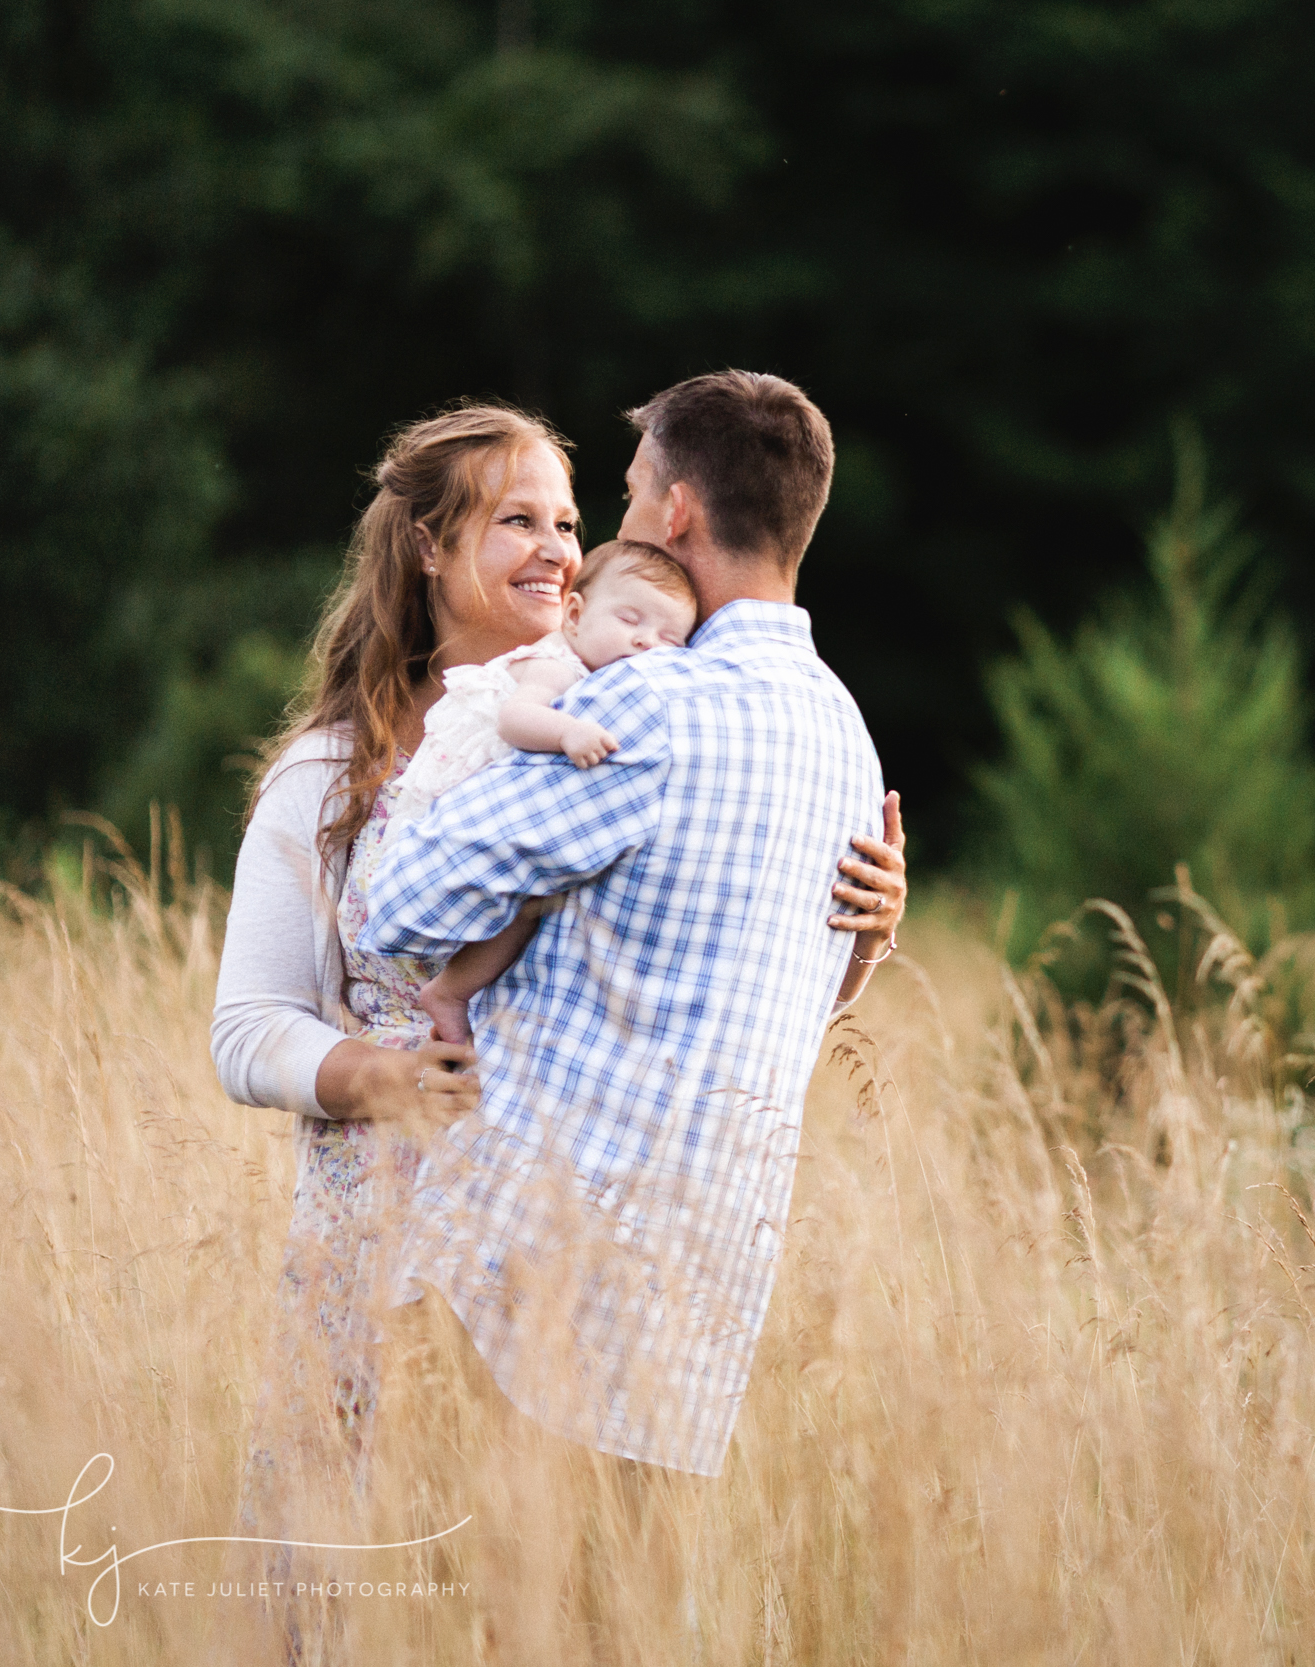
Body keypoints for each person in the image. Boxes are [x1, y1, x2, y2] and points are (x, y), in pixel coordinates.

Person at [207, 401, 907, 1641]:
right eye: (516, 519)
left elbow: (708, 957)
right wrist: (378, 1075)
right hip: (378, 1222)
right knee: (339, 1601)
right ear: (427, 546)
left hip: (524, 1253)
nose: (560, 549)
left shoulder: (623, 717)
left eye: (573, 519)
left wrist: (863, 930)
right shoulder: (329, 770)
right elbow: (248, 1023)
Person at [360, 370, 890, 1494]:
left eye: (632, 489)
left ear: (680, 512)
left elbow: (405, 908)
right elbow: (798, 988)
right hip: (692, 1326)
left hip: (521, 1291)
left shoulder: (652, 703)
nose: (615, 521)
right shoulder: (848, 737)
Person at [400, 538, 700, 1045]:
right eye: (629, 620)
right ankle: (450, 992)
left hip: (483, 810)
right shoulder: (557, 663)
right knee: (530, 903)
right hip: (457, 803)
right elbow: (516, 719)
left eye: (670, 639)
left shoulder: (608, 681)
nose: (646, 641)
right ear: (576, 615)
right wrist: (568, 733)